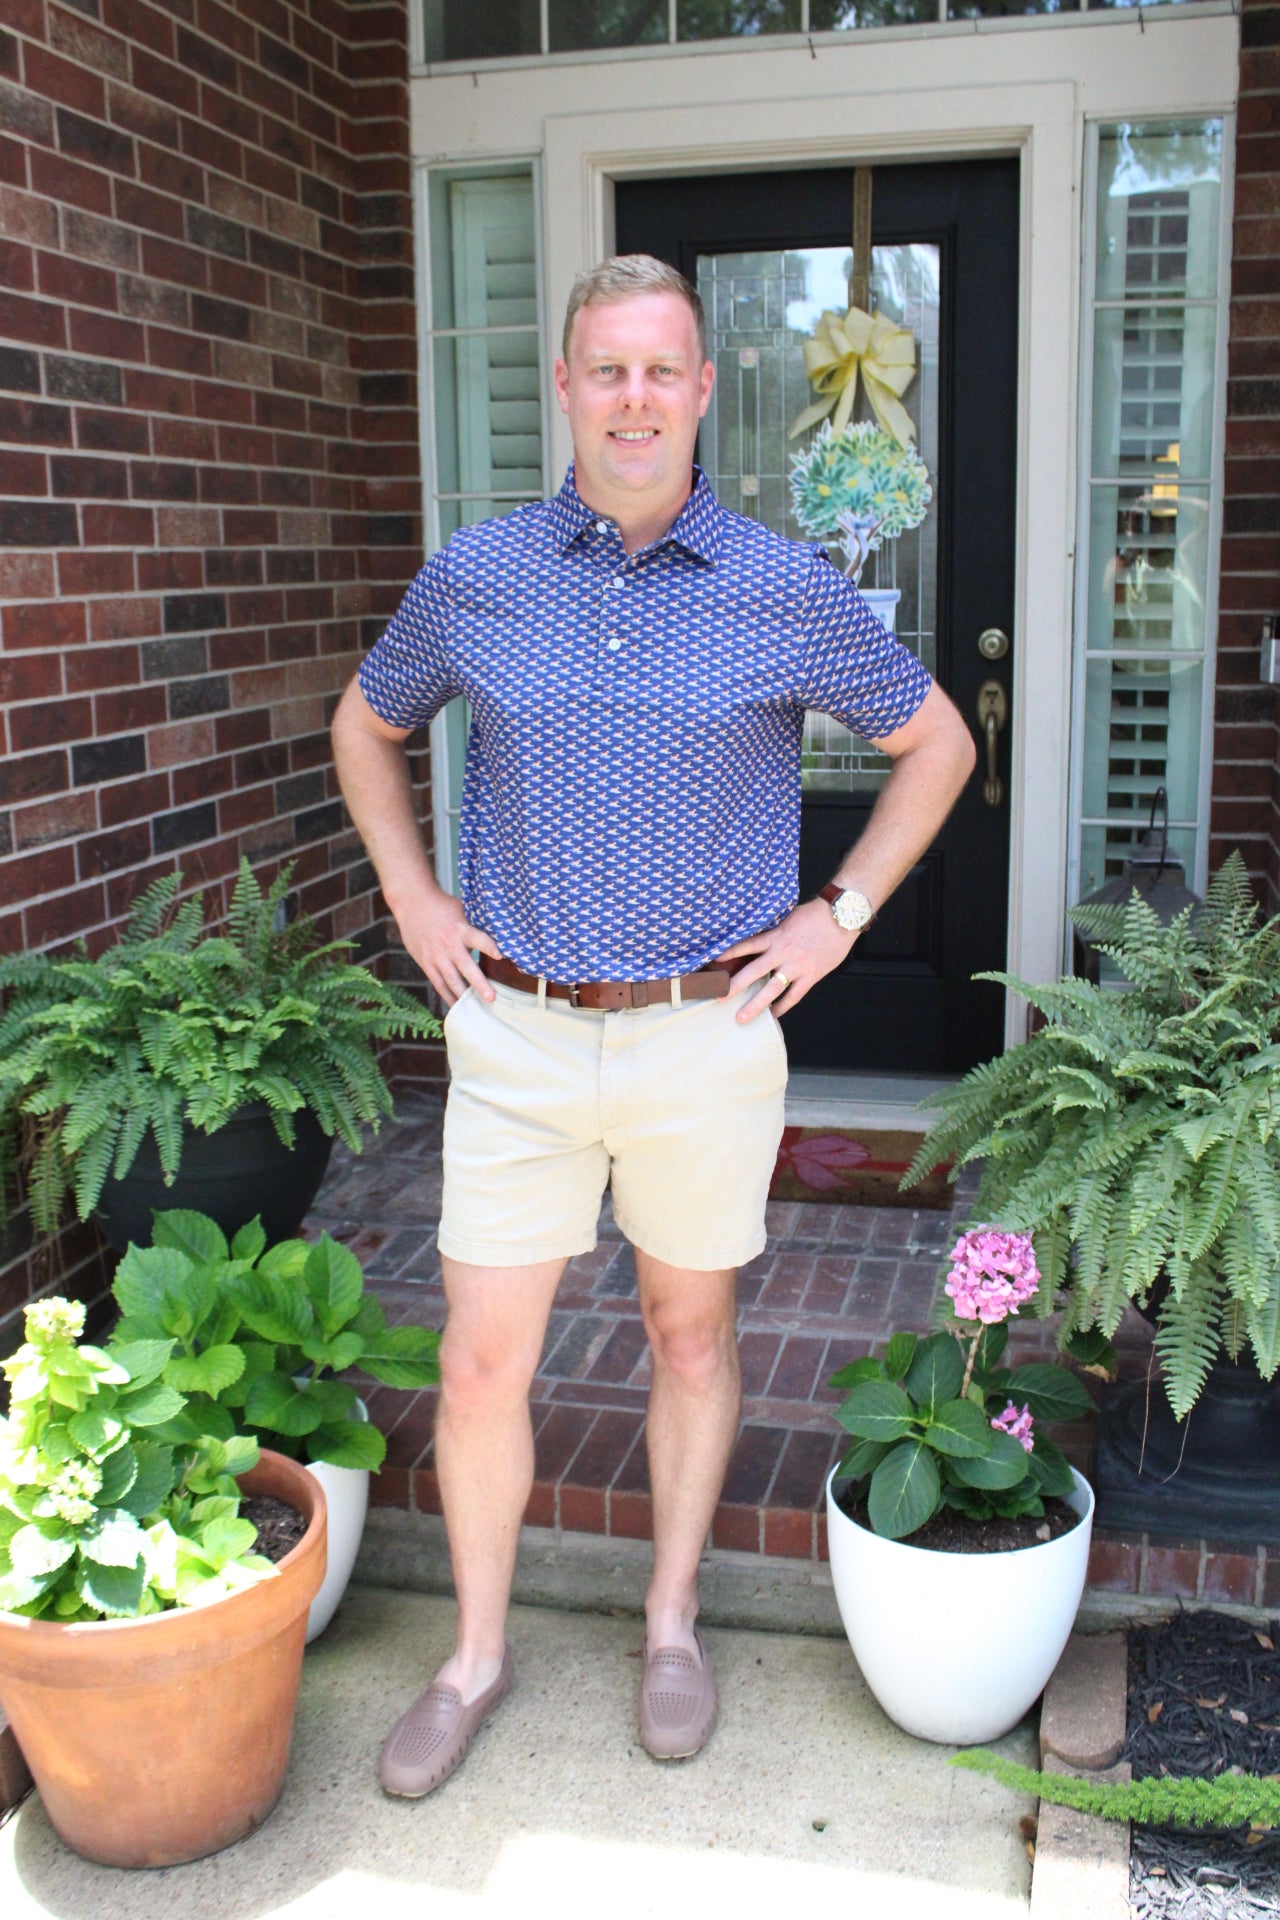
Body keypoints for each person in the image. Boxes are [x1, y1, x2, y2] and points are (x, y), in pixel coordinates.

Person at [330, 253, 976, 1796]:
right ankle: (473, 1655)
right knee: (482, 1362)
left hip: (703, 1034)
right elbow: (368, 720)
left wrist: (839, 915)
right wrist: (412, 895)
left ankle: (672, 1625)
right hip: (519, 1030)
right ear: (565, 388)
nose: (634, 398)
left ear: (703, 391)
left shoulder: (781, 586)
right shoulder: (477, 573)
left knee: (690, 1338)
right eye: (606, 369)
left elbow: (939, 742)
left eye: (661, 370)